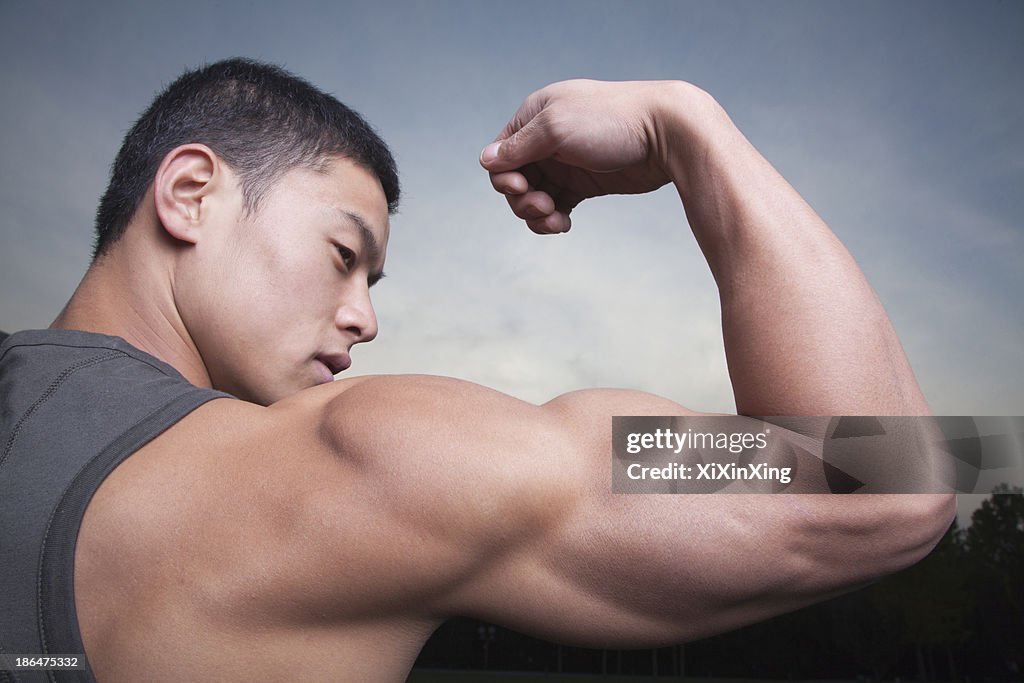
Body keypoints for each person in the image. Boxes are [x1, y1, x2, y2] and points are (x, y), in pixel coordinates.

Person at [0, 58, 954, 682]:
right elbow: (881, 476)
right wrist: (688, 129)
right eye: (344, 254)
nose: (366, 318)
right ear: (191, 192)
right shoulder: (367, 463)